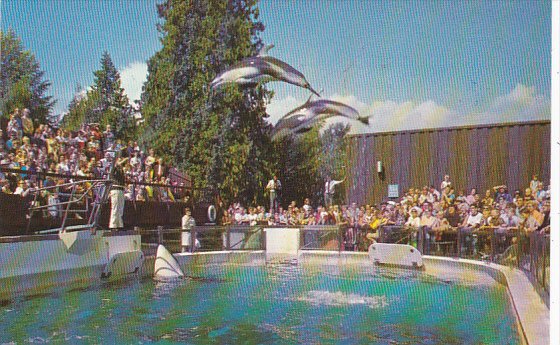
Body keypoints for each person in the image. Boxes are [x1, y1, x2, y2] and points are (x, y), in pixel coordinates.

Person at [109, 159, 126, 230]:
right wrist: (118, 163)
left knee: (120, 208)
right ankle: (113, 225)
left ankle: (119, 225)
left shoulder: (121, 171)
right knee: (115, 207)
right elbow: (113, 168)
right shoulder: (114, 170)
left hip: (121, 189)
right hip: (115, 189)